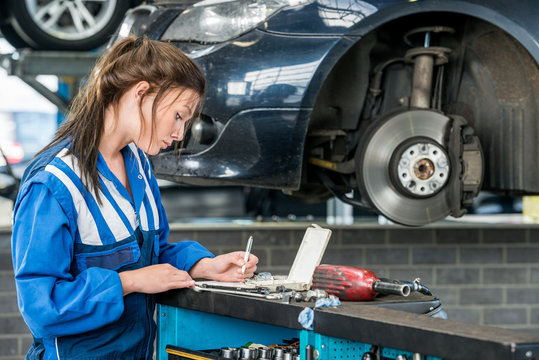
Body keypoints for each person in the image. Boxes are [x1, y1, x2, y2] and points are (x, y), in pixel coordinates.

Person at [11, 35, 258, 360]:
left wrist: (202, 265)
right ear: (141, 93)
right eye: (179, 116)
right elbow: (42, 307)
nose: (180, 134)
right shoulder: (54, 184)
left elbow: (153, 253)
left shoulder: (138, 165)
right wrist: (128, 282)